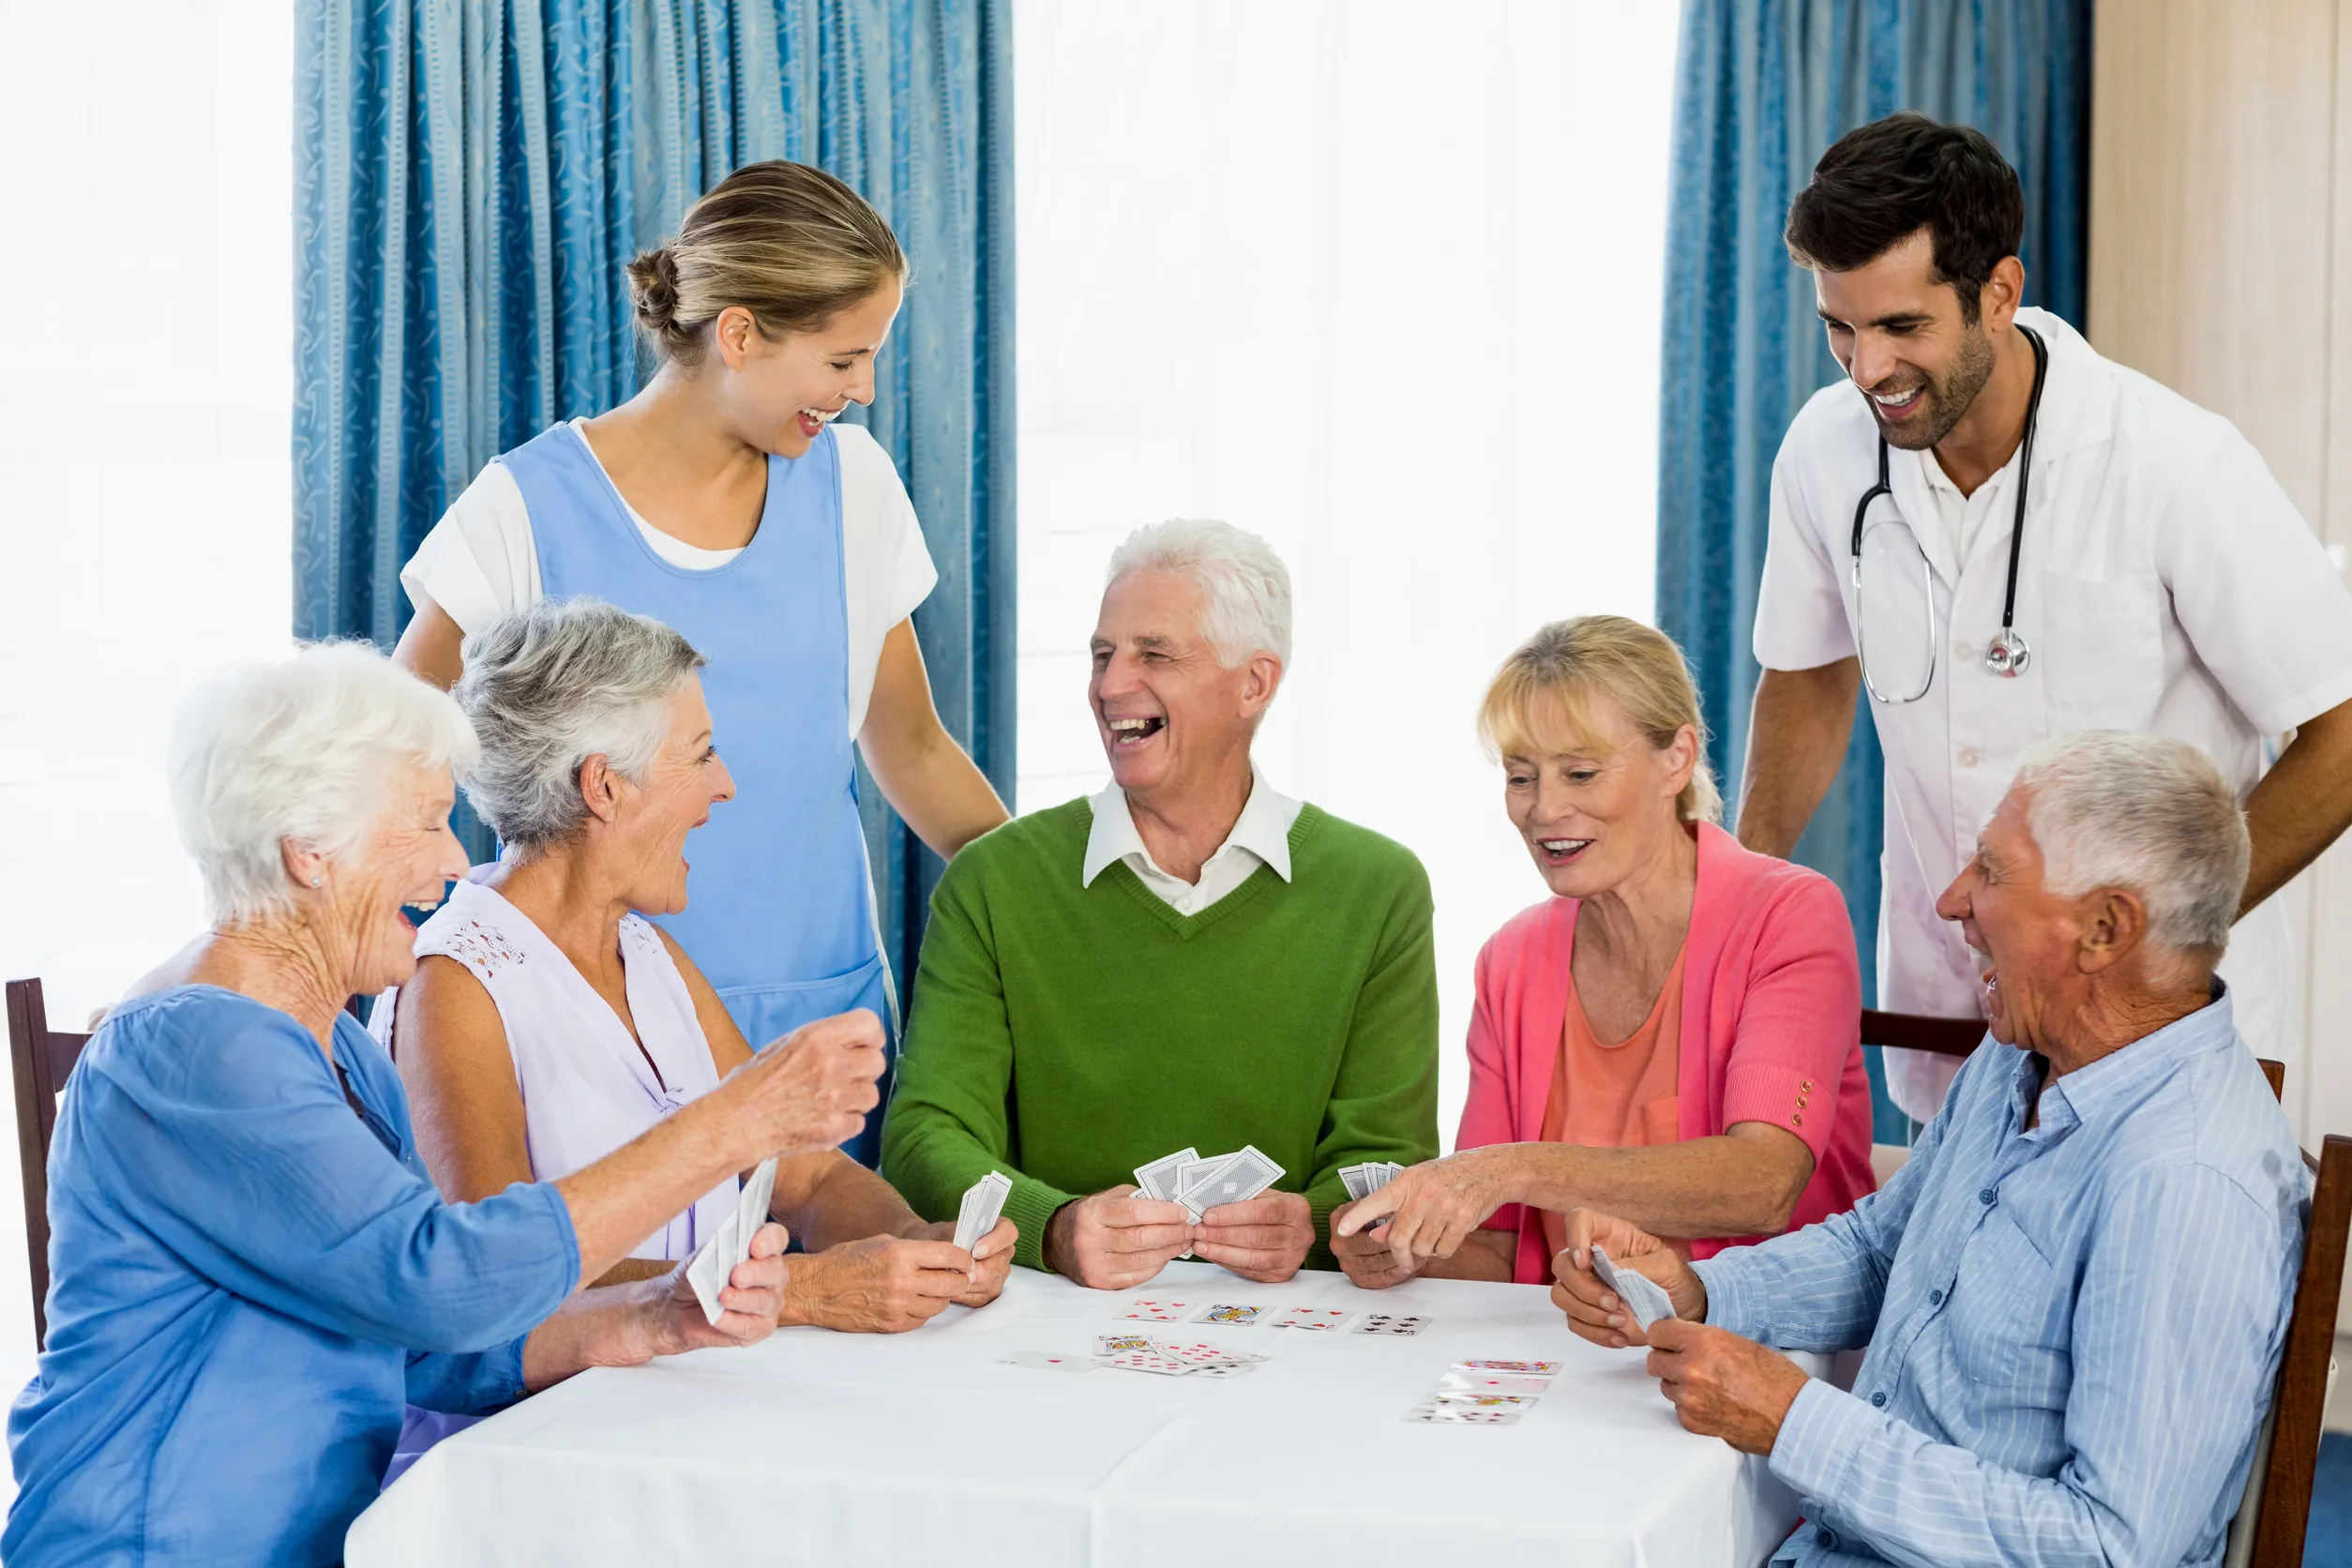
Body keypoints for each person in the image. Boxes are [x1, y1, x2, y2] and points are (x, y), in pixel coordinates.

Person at [4, 643, 885, 1566]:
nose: (457, 859)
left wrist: (655, 1314)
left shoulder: (333, 1043)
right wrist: (736, 1122)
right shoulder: (198, 1047)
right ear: (311, 852)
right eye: (425, 823)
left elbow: (420, 1338)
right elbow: (441, 1278)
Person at [1556, 731, 2306, 1568]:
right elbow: (1885, 1248)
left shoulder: (2185, 1184)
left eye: (1991, 871)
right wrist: (1698, 1289)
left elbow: (2107, 1550)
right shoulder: (2026, 1051)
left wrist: (1797, 1419)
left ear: (2104, 929)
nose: (1952, 901)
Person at [1738, 111, 2352, 1124]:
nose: (1866, 370)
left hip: (2161, 1027)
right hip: (1955, 1015)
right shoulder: (1825, 452)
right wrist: (1742, 896)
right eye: (1838, 328)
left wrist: (2161, 937)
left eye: (1902, 328)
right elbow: (1807, 673)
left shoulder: (2173, 464)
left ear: (1999, 294)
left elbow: (2339, 728)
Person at [391, 160, 1007, 1166]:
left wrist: (1064, 915)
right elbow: (390, 755)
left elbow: (915, 748)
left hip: (821, 1021)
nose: (862, 391)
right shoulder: (523, 508)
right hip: (594, 1045)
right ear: (740, 333)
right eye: (845, 359)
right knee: (629, 1304)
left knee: (844, 1291)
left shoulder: (856, 487)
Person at [384, 596, 1013, 1333]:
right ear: (605, 786)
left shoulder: (646, 952)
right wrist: (804, 1289)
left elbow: (806, 1174)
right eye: (701, 753)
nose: (725, 784)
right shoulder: (453, 984)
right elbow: (494, 1274)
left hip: (686, 1392)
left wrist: (912, 1244)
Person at [880, 520, 1440, 1289]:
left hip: (1291, 1336)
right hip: (1046, 1328)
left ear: (1255, 683)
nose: (1110, 687)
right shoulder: (992, 882)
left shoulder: (1378, 889)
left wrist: (1309, 1225)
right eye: (1103, 655)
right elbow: (923, 1137)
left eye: (1154, 655)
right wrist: (1055, 1228)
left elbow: (1387, 1159)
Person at [1332, 617, 1875, 1288]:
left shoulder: (1787, 915)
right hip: (1566, 1354)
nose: (1544, 809)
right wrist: (1400, 1249)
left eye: (1581, 774)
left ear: (1677, 758)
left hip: (1759, 1346)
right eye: (1521, 777)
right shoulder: (1512, 959)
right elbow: (1502, 1250)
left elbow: (1765, 1183)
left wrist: (1512, 1170)